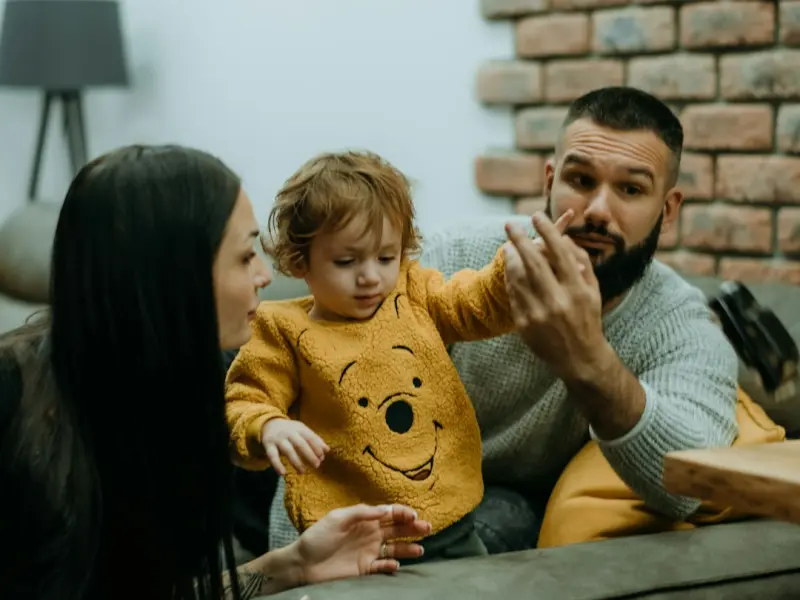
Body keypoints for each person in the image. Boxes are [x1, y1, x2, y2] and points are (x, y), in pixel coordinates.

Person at [266, 86, 740, 554]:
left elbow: (691, 485)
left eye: (631, 189)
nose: (597, 210)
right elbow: (328, 403)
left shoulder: (679, 324)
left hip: (496, 502)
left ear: (668, 208)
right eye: (580, 181)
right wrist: (294, 563)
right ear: (549, 181)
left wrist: (588, 361)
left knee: (498, 518)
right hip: (362, 473)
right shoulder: (454, 259)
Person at [0, 144, 432, 600]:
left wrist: (293, 565)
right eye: (246, 256)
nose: (265, 276)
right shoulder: (13, 398)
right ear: (174, 273)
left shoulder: (190, 390)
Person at [225, 150, 572, 562]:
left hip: (452, 523)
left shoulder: (413, 293)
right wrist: (268, 428)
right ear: (300, 260)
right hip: (350, 542)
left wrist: (511, 273)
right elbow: (246, 398)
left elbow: (472, 303)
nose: (371, 275)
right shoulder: (281, 330)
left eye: (386, 257)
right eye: (346, 261)